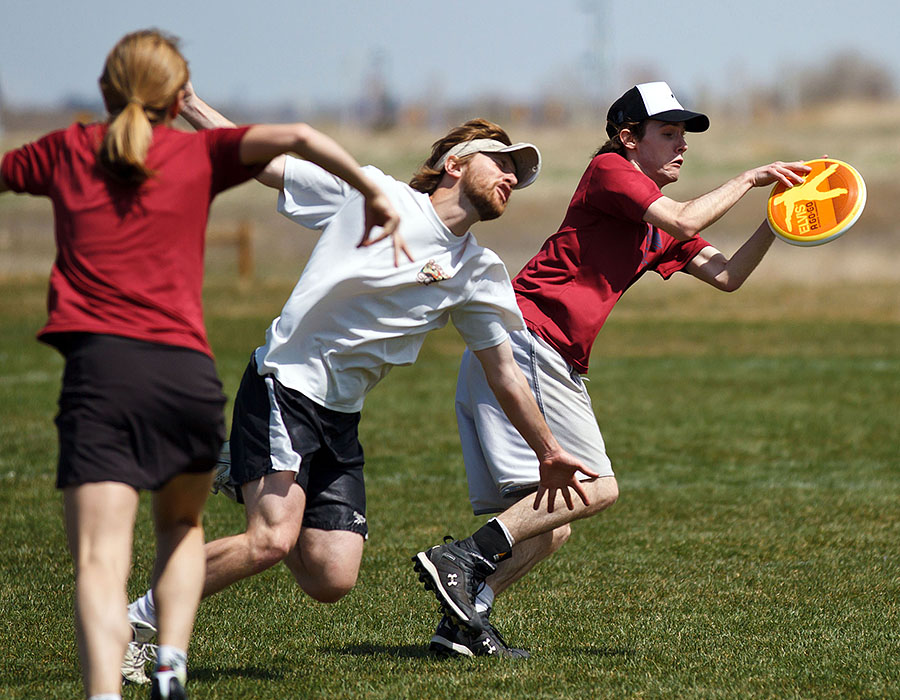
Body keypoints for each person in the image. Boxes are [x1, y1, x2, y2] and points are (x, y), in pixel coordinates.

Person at [122, 86, 597, 678]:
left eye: (517, 174)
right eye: (501, 161)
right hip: (285, 383)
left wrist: (548, 449)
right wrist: (188, 103)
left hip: (340, 416)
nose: (511, 176)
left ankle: (243, 467)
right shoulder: (374, 194)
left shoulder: (479, 271)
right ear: (456, 163)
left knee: (332, 577)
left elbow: (503, 370)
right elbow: (260, 160)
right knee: (269, 540)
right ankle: (134, 620)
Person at [0, 29, 400, 700]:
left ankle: (107, 690)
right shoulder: (197, 152)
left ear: (105, 89)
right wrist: (372, 189)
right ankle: (169, 666)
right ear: (172, 95)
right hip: (187, 377)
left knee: (101, 559)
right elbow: (299, 134)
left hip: (103, 374)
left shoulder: (69, 148)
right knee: (181, 528)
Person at [413, 81, 812, 657]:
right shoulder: (610, 169)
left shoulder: (652, 218)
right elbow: (681, 219)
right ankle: (463, 556)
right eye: (668, 133)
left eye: (684, 136)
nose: (681, 146)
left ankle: (465, 618)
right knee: (597, 488)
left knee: (553, 523)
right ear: (629, 138)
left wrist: (778, 221)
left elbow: (728, 275)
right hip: (531, 340)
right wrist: (751, 178)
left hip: (537, 351)